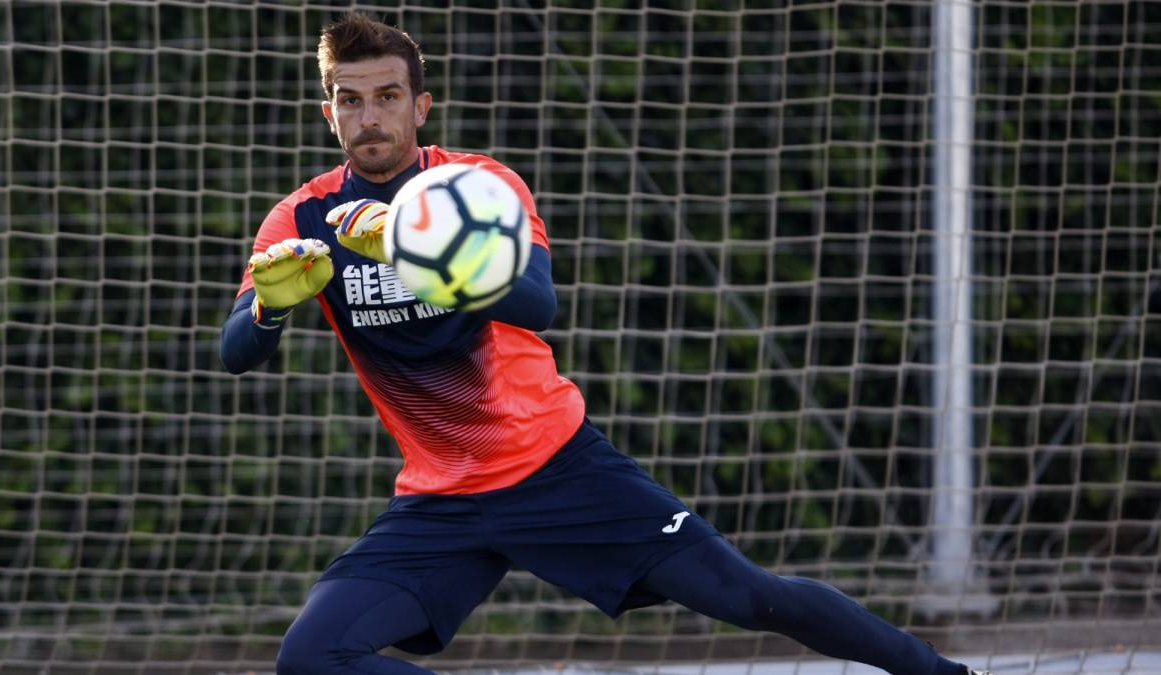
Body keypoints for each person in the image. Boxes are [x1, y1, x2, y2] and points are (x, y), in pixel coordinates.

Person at [219, 13, 991, 675]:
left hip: (557, 467)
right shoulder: (302, 218)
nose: (370, 117)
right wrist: (274, 309)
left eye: (388, 97)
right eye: (350, 101)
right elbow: (236, 352)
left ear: (420, 107)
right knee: (310, 657)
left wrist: (424, 248)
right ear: (330, 114)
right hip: (440, 498)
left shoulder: (476, 188)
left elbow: (537, 301)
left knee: (749, 595)